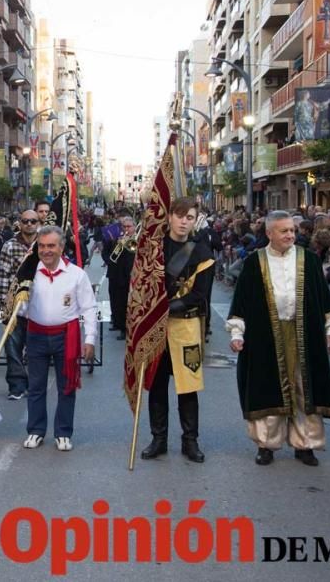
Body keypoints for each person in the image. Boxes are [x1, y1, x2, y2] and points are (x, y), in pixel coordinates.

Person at [227, 210, 330, 467]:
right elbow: (241, 301)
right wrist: (237, 332)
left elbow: (324, 298)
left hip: (305, 333)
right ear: (269, 233)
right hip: (265, 333)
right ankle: (266, 445)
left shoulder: (309, 260)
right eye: (284, 231)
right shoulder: (255, 262)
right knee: (268, 387)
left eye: (292, 230)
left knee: (304, 389)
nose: (290, 235)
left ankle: (305, 445)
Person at [140, 198, 214, 463]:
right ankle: (158, 439)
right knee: (157, 385)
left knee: (187, 387)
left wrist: (167, 306)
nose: (184, 221)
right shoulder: (153, 249)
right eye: (180, 215)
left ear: (195, 221)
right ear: (170, 216)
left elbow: (200, 294)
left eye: (190, 217)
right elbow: (141, 284)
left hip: (186, 327)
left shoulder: (202, 253)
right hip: (157, 330)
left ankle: (190, 441)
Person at [18, 226, 96, 452]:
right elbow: (19, 306)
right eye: (41, 246)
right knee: (36, 386)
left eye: (51, 246)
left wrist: (89, 339)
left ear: (61, 247)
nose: (46, 251)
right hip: (36, 335)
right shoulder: (28, 272)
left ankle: (63, 432)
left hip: (66, 336)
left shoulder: (77, 274)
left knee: (66, 387)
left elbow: (89, 308)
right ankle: (35, 430)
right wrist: (18, 304)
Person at [0, 209, 41, 399]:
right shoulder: (10, 245)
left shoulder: (44, 244)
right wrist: (5, 304)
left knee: (37, 348)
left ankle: (35, 385)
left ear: (38, 222)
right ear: (19, 223)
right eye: (25, 221)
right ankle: (16, 385)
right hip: (15, 304)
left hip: (39, 305)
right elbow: (2, 275)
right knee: (13, 348)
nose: (29, 224)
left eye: (33, 221)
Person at [106, 216, 136, 340]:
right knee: (114, 300)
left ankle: (125, 329)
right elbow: (110, 255)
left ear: (134, 227)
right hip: (114, 274)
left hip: (126, 276)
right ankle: (117, 322)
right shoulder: (118, 238)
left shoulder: (134, 240)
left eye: (129, 226)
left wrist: (126, 243)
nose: (126, 229)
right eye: (124, 226)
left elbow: (133, 253)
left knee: (124, 303)